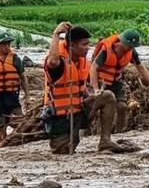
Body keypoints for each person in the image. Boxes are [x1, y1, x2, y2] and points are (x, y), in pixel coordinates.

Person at [43, 23, 121, 153]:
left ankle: (105, 141)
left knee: (107, 96)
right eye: (84, 45)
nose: (88, 48)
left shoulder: (83, 62)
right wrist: (56, 34)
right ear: (72, 46)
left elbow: (81, 86)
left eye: (88, 44)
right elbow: (52, 61)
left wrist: (92, 95)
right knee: (64, 151)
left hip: (78, 111)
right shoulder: (60, 63)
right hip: (60, 118)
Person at [90, 29, 149, 101]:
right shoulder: (106, 50)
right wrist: (96, 89)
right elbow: (94, 67)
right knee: (104, 102)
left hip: (116, 82)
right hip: (101, 82)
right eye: (129, 46)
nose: (131, 48)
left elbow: (141, 68)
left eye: (132, 46)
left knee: (122, 106)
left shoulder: (131, 51)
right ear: (123, 42)